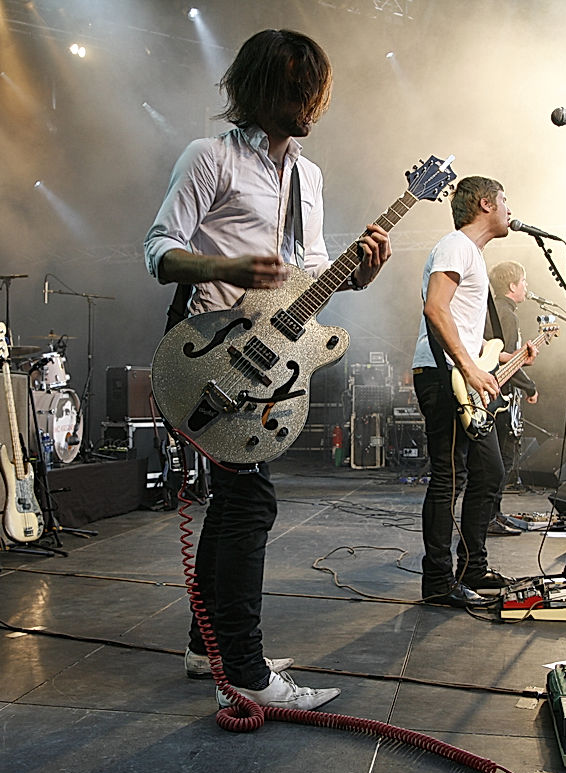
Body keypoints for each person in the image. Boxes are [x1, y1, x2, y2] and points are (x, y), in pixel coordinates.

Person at [143, 30, 390, 711]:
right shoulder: (210, 157)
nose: (310, 103)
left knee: (234, 499)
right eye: (295, 89)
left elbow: (305, 278)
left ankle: (207, 648)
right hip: (208, 352)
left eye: (316, 90)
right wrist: (225, 266)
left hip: (268, 359)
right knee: (251, 502)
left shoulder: (308, 177)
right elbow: (157, 250)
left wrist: (358, 277)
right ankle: (247, 676)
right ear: (259, 90)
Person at [411, 177, 536, 609]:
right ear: (485, 203)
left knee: (488, 472)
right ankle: (438, 582)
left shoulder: (473, 256)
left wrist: (495, 362)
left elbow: (465, 330)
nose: (508, 207)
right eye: (504, 199)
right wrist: (466, 366)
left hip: (461, 373)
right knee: (449, 477)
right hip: (442, 373)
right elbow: (435, 307)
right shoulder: (456, 245)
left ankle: (473, 568)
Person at [484, 260, 539, 529]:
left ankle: (493, 514)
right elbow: (504, 360)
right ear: (512, 286)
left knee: (497, 460)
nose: (527, 287)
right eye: (523, 282)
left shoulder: (492, 310)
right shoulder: (507, 314)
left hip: (490, 393)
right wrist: (530, 386)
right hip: (497, 396)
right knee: (502, 460)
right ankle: (491, 516)